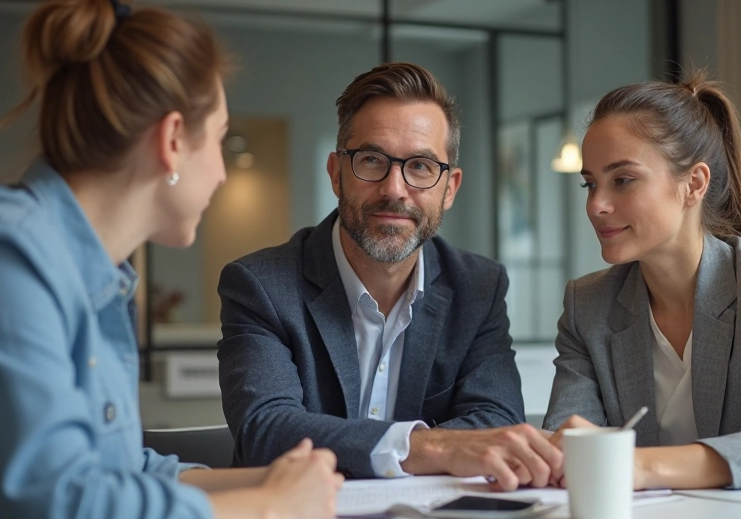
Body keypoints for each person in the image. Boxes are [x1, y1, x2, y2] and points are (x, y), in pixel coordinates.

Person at [0, 0, 342, 519]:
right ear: (172, 140)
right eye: (219, 140)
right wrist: (270, 509)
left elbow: (123, 473)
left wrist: (271, 480)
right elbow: (70, 511)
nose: (221, 172)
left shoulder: (97, 276)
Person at [217, 62, 562, 491]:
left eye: (420, 166)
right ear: (336, 173)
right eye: (372, 160)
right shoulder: (261, 285)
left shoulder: (478, 287)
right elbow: (266, 431)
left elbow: (496, 418)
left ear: (449, 188)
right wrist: (431, 448)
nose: (395, 188)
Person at [544, 72, 741, 490]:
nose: (597, 205)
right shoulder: (588, 305)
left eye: (623, 180)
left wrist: (641, 467)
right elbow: (563, 449)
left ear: (694, 184)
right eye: (590, 184)